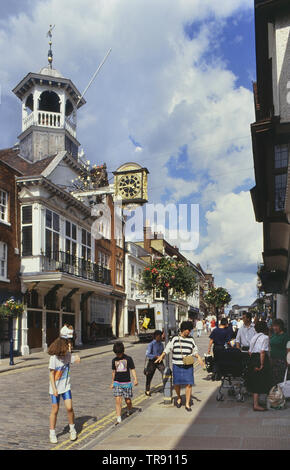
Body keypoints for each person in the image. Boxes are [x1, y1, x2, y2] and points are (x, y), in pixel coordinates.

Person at [155, 321, 204, 412]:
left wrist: (199, 357)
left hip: (188, 366)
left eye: (190, 330)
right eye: (188, 330)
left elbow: (195, 350)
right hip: (177, 365)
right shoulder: (175, 338)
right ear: (183, 329)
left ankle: (187, 404)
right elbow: (168, 348)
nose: (189, 331)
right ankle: (178, 397)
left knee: (189, 384)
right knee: (176, 384)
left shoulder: (191, 339)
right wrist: (162, 356)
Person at [48, 327, 80, 444]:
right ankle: (52, 432)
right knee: (55, 410)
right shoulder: (54, 358)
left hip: (66, 387)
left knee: (69, 408)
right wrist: (54, 389)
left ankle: (72, 429)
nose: (70, 345)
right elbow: (51, 375)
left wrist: (75, 356)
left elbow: (76, 359)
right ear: (62, 345)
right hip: (55, 388)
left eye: (70, 343)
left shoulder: (67, 356)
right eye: (68, 343)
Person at [111, 341, 138, 424]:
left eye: (119, 354)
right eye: (116, 354)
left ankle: (129, 409)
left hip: (127, 383)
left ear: (123, 351)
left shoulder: (128, 359)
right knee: (118, 400)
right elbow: (113, 371)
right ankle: (118, 418)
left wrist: (135, 379)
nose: (118, 355)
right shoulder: (114, 360)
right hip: (117, 383)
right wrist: (112, 382)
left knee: (128, 401)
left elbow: (132, 369)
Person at [246, 321, 271, 412]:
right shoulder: (265, 337)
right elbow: (263, 352)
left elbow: (250, 351)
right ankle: (260, 404)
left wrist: (253, 362)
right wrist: (261, 364)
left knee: (255, 381)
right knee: (264, 379)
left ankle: (256, 403)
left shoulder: (254, 337)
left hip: (253, 358)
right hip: (260, 359)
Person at [269, 319, 290, 386]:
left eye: (277, 326)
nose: (274, 328)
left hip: (281, 361)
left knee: (280, 381)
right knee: (273, 380)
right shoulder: (273, 335)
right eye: (274, 326)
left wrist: (288, 362)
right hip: (272, 360)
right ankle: (275, 395)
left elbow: (288, 350)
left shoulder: (286, 336)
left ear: (281, 326)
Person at [145, 330, 165, 396]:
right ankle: (147, 390)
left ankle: (165, 387)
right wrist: (155, 356)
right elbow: (148, 354)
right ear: (156, 336)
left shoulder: (161, 344)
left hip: (159, 361)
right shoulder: (151, 344)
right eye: (160, 336)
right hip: (152, 361)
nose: (161, 337)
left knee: (164, 373)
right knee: (149, 376)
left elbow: (163, 352)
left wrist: (162, 356)